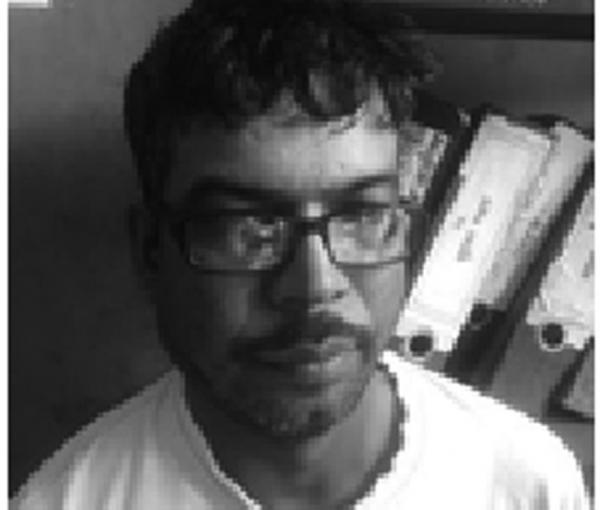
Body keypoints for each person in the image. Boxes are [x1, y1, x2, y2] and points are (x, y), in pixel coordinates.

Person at [12, 0, 590, 508]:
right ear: (150, 252)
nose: (315, 286)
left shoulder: (527, 484)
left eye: (362, 215)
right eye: (248, 227)